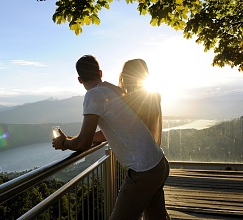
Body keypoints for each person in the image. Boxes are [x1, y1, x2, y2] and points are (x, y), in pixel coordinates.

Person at [52, 55, 169, 219]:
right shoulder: (113, 92)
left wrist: (65, 142)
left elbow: (84, 144)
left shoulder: (93, 95)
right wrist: (76, 139)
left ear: (79, 79)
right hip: (159, 164)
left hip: (144, 171)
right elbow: (111, 133)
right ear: (100, 72)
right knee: (157, 217)